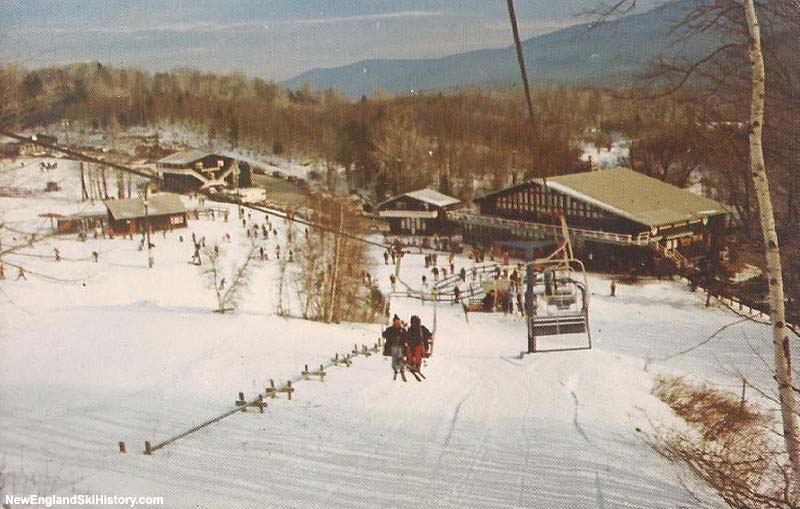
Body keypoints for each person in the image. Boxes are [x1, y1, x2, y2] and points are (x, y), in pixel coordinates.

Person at [382, 315, 407, 381]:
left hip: (400, 346)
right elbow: (384, 335)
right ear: (393, 322)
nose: (397, 323)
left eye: (398, 322)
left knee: (399, 351)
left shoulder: (402, 330)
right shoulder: (390, 329)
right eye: (396, 322)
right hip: (391, 346)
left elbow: (406, 337)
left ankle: (401, 366)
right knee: (395, 351)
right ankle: (395, 366)